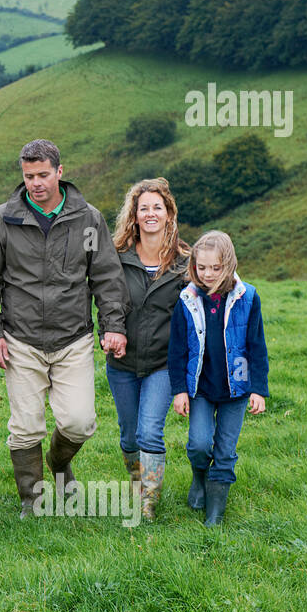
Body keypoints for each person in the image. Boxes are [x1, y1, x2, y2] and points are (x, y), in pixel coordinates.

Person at [0, 139, 129, 518]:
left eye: (43, 175)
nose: (36, 183)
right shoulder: (1, 220)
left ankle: (59, 464)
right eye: (29, 176)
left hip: (73, 338)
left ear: (60, 172)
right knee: (25, 426)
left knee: (80, 422)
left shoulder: (88, 219)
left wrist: (114, 325)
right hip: (19, 339)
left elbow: (106, 277)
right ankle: (32, 501)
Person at [168, 230, 269, 526]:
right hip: (200, 387)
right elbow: (176, 349)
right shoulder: (187, 299)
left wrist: (258, 390)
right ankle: (199, 478)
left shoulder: (247, 298)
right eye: (201, 268)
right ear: (193, 267)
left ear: (229, 264)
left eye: (216, 268)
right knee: (199, 444)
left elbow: (257, 347)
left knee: (225, 450)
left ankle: (214, 514)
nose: (208, 274)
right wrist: (179, 390)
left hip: (235, 390)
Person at [106, 178, 191, 522]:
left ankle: (147, 505)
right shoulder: (116, 256)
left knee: (149, 431)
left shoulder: (186, 263)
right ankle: (137, 483)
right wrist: (109, 332)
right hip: (122, 364)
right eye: (144, 208)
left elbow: (216, 287)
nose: (151, 213)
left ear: (169, 214)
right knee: (128, 435)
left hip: (162, 363)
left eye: (158, 207)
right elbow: (105, 299)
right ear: (135, 216)